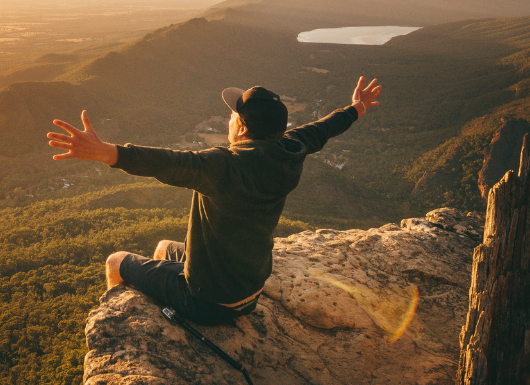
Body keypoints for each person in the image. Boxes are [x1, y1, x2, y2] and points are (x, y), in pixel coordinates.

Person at [46, 76, 382, 325]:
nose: (229, 119)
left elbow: (167, 163)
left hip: (208, 302)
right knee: (163, 247)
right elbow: (325, 128)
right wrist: (358, 107)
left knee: (115, 261)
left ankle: (127, 323)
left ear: (243, 129)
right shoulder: (290, 148)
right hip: (250, 290)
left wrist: (105, 152)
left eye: (234, 116)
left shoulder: (226, 166)